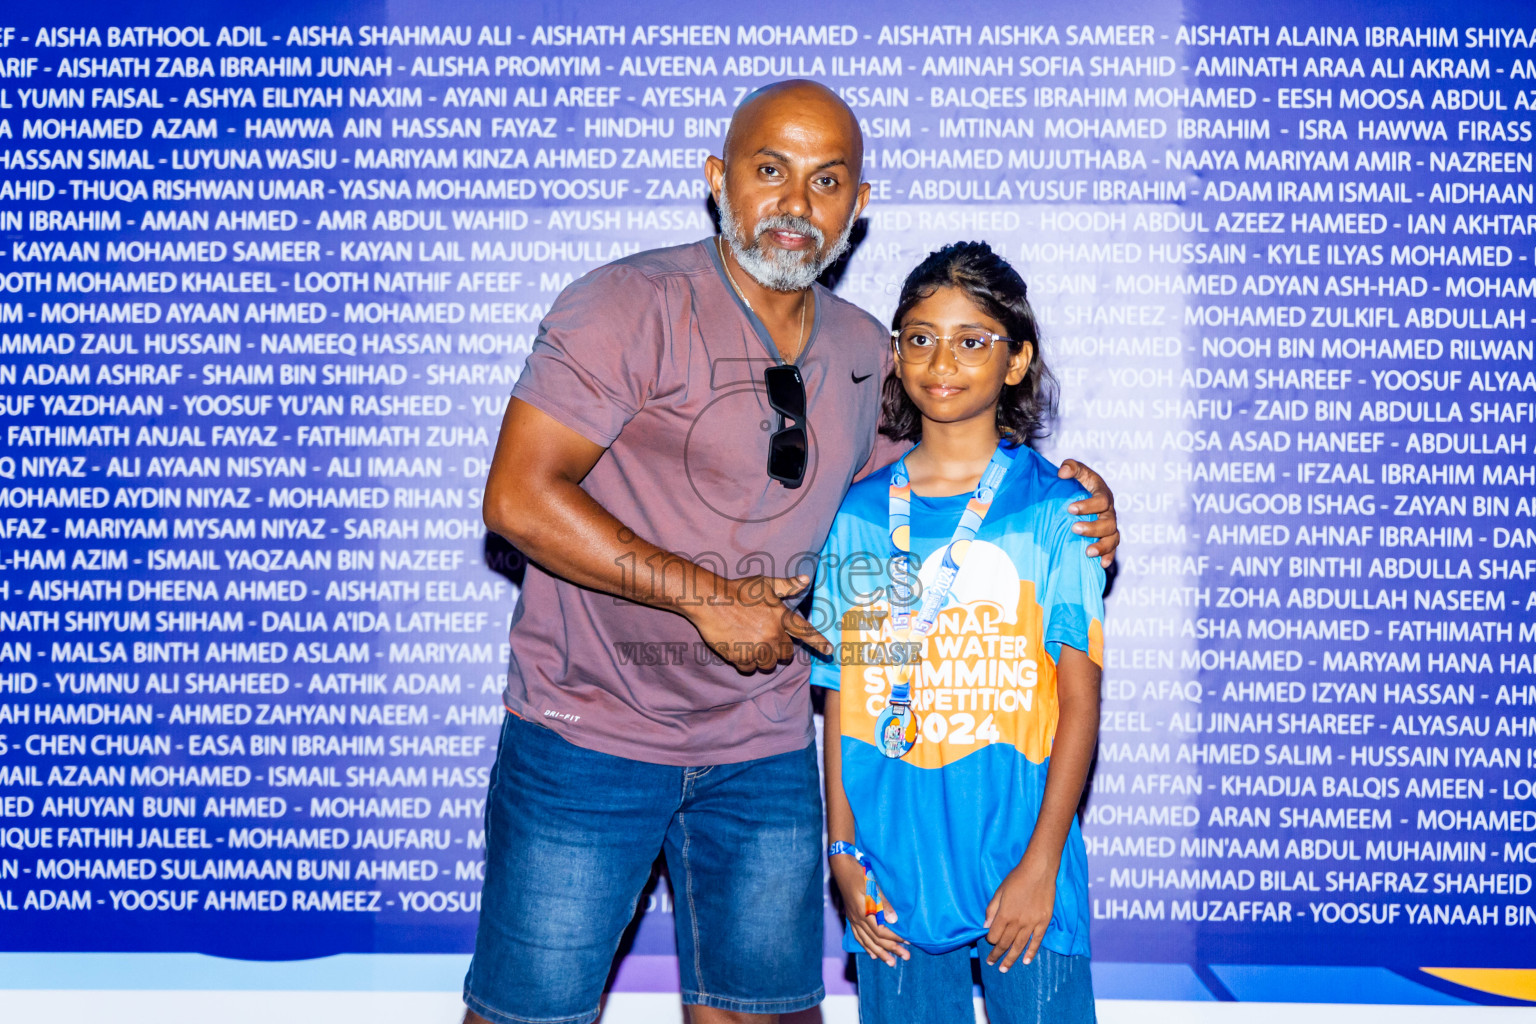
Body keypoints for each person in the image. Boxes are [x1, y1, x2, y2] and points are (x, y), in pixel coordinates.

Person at [466, 81, 1118, 1024]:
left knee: (764, 1015)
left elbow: (945, 487)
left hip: (764, 748)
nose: (794, 204)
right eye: (770, 171)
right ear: (716, 180)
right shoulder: (622, 305)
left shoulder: (867, 351)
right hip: (589, 737)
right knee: (527, 1016)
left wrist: (1081, 505)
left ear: (857, 209)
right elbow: (518, 498)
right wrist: (702, 596)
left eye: (826, 181)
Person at [814, 242, 1103, 1024]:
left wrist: (1043, 863)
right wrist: (842, 852)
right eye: (920, 337)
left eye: (973, 340)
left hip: (1024, 863)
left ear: (1016, 362)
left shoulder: (1055, 512)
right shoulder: (860, 515)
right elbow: (844, 697)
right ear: (898, 355)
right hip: (893, 875)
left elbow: (1079, 701)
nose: (943, 359)